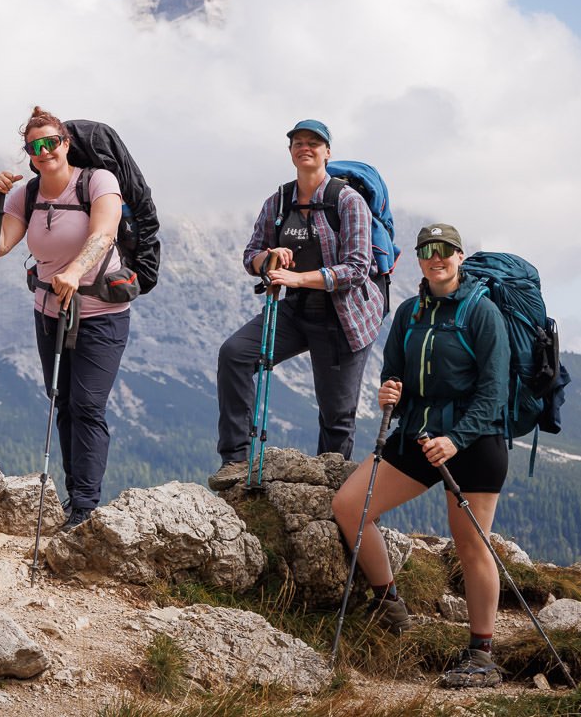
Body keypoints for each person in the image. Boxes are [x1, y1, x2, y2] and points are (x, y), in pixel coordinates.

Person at [331, 222, 510, 688]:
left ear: (460, 257)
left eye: (446, 250)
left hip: (475, 444)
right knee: (349, 506)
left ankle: (483, 656)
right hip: (416, 437)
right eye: (428, 250)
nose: (437, 257)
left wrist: (457, 439)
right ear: (419, 258)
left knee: (471, 544)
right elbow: (394, 374)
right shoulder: (409, 312)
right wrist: (390, 392)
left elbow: (494, 394)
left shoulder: (482, 313)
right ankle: (391, 607)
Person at [209, 119, 383, 489]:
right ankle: (235, 460)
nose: (305, 147)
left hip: (345, 316)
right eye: (298, 142)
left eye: (314, 143)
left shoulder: (348, 202)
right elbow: (250, 255)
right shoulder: (279, 201)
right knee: (235, 354)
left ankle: (328, 489)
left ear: (327, 152)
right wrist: (269, 259)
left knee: (336, 416)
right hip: (295, 310)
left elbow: (356, 268)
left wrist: (298, 278)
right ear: (290, 152)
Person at [0, 107, 132, 532]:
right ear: (28, 153)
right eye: (34, 146)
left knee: (87, 405)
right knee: (62, 401)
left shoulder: (97, 181)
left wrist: (74, 270)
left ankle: (85, 506)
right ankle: (73, 501)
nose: (44, 151)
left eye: (51, 142)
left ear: (66, 143)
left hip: (101, 312)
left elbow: (104, 234)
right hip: (49, 309)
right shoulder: (25, 195)